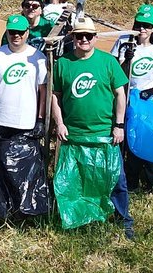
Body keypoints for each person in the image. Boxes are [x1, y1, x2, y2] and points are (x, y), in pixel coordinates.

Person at [49, 17, 133, 238]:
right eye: (79, 36)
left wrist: (119, 125)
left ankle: (123, 219)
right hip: (74, 135)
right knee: (76, 179)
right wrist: (60, 123)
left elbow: (120, 95)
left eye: (88, 36)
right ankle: (79, 217)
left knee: (115, 179)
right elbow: (55, 96)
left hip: (105, 132)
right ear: (73, 38)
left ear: (95, 38)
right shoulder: (63, 63)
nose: (83, 39)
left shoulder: (108, 62)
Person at [0, 14, 49, 217]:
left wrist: (40, 119)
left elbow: (43, 91)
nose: (16, 36)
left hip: (26, 121)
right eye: (12, 32)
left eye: (20, 32)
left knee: (26, 168)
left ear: (27, 33)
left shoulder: (38, 58)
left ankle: (26, 208)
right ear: (7, 33)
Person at [111, 4, 153, 190]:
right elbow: (116, 76)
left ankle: (151, 182)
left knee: (152, 142)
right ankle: (131, 182)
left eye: (147, 26)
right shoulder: (124, 43)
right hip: (131, 102)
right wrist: (127, 60)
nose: (142, 29)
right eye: (139, 24)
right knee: (132, 142)